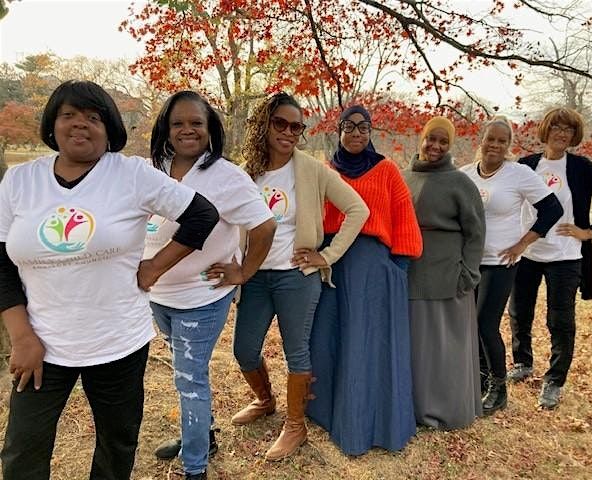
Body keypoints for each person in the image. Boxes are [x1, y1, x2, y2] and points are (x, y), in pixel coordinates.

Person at [0, 80, 219, 480]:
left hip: (118, 343)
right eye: (68, 115)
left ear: (110, 129)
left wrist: (154, 267)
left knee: (117, 448)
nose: (79, 124)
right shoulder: (19, 181)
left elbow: (202, 215)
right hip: (41, 346)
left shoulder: (131, 174)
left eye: (93, 117)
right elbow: (0, 262)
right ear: (53, 124)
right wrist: (22, 337)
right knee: (22, 453)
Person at [225, 92, 369, 461]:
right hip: (255, 276)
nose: (289, 132)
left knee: (296, 351)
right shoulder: (247, 172)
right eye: (280, 123)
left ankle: (295, 426)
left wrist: (327, 256)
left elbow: (357, 209)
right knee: (243, 349)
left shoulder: (312, 169)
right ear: (264, 124)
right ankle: (264, 400)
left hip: (296, 276)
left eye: (296, 126)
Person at [143, 91, 276, 479]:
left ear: (210, 129)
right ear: (166, 130)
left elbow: (265, 226)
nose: (187, 130)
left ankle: (195, 467)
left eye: (196, 123)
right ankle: (203, 436)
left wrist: (243, 272)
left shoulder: (226, 176)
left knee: (189, 380)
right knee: (186, 374)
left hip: (201, 299)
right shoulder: (155, 167)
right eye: (178, 123)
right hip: (159, 297)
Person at [307, 105, 422, 455]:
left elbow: (403, 216)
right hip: (331, 264)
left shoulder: (386, 170)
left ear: (371, 132)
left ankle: (369, 421)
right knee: (328, 338)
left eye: (363, 127)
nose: (357, 133)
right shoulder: (325, 170)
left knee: (366, 344)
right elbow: (313, 216)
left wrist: (396, 267)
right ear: (339, 131)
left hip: (373, 269)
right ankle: (327, 411)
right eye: (349, 127)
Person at [508, 107, 592, 409]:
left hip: (565, 256)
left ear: (574, 136)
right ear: (546, 130)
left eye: (568, 129)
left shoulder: (580, 167)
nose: (561, 133)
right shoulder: (526, 165)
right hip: (527, 253)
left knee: (559, 319)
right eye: (556, 127)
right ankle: (522, 363)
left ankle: (554, 381)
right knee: (519, 312)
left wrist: (590, 231)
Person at [461, 116, 563, 416]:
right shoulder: (467, 174)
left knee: (485, 324)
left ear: (509, 145)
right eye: (490, 138)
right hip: (470, 262)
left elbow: (551, 209)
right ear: (482, 140)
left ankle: (498, 387)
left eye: (502, 141)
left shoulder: (518, 174)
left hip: (500, 262)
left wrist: (522, 244)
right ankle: (478, 379)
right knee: (471, 324)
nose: (495, 145)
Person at [402, 117, 485, 430]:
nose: (434, 146)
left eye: (443, 142)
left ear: (450, 146)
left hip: (448, 276)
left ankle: (444, 410)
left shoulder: (460, 183)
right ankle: (413, 406)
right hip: (409, 272)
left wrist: (468, 273)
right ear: (421, 138)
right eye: (430, 139)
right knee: (416, 346)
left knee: (442, 348)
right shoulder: (403, 177)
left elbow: (476, 233)